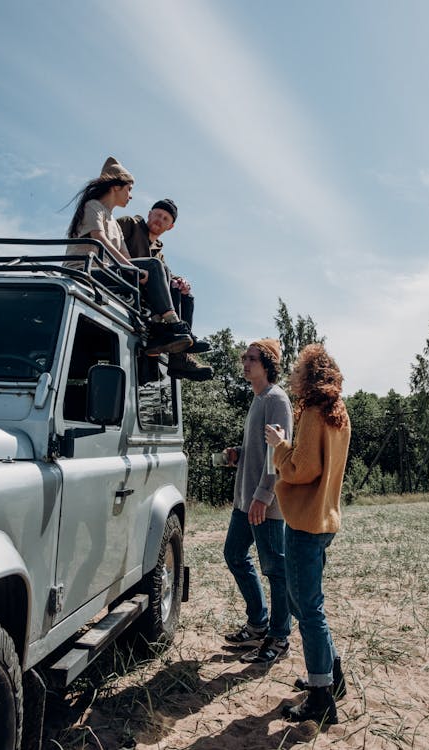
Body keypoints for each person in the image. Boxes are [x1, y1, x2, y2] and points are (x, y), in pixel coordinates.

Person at [265, 343, 351, 724]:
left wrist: (279, 446)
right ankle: (331, 679)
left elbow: (301, 470)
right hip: (324, 520)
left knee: (308, 609)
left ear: (308, 375)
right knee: (303, 603)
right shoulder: (338, 413)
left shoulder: (315, 413)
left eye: (299, 369)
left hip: (303, 521)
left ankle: (320, 697)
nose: (294, 375)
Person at [65, 157, 193, 357]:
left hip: (105, 273)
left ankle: (165, 332)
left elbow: (125, 255)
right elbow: (100, 241)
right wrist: (132, 269)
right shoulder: (93, 207)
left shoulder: (115, 223)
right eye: (129, 189)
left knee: (159, 268)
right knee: (152, 264)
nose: (131, 196)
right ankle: (172, 322)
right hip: (84, 272)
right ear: (116, 187)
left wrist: (136, 269)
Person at [223, 339, 293, 665]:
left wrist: (263, 497)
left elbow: (277, 454)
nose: (245, 362)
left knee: (275, 569)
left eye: (251, 358)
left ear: (267, 364)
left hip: (263, 502)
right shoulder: (258, 399)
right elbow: (261, 450)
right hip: (246, 499)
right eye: (244, 358)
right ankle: (257, 624)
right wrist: (238, 455)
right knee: (234, 554)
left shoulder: (276, 399)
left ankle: (279, 638)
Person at [118, 201, 212, 382]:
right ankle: (176, 329)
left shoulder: (158, 252)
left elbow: (165, 274)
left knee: (183, 293)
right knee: (159, 271)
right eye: (158, 214)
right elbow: (109, 243)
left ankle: (179, 355)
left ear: (170, 226)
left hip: (143, 289)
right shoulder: (130, 224)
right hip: (123, 279)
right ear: (149, 213)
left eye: (165, 218)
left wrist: (180, 281)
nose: (160, 220)